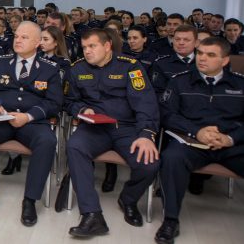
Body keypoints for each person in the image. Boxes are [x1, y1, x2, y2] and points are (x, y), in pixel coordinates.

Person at [65, 29, 160, 237]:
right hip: (94, 128)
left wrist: (146, 134)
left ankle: (128, 199)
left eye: (92, 46)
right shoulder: (77, 68)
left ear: (107, 46)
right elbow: (69, 100)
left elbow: (146, 103)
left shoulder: (130, 67)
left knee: (149, 163)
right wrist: (81, 110)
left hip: (126, 129)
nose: (87, 52)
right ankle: (91, 214)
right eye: (84, 47)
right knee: (74, 146)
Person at [0, 21, 62, 226]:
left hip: (32, 123)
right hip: (1, 120)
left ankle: (30, 200)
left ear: (38, 43)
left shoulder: (50, 69)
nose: (18, 40)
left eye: (25, 37)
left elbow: (54, 103)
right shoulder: (0, 62)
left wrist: (28, 117)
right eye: (17, 36)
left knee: (47, 141)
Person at [155, 37, 244, 244]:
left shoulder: (240, 85)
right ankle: (170, 220)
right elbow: (167, 114)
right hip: (192, 142)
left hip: (233, 144)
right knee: (171, 158)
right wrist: (197, 131)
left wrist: (230, 138)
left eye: (210, 55)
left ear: (224, 61)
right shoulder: (179, 81)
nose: (202, 58)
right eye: (200, 53)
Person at [150, 25, 199, 95]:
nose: (181, 43)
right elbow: (157, 92)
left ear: (196, 43)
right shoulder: (161, 64)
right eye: (177, 39)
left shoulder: (205, 63)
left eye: (186, 40)